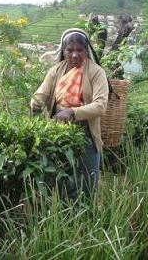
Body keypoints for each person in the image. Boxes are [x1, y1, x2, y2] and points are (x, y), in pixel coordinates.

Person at [30, 28, 109, 194]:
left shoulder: (96, 72)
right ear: (63, 51)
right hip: (58, 129)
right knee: (62, 176)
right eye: (70, 50)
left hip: (86, 132)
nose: (74, 55)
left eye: (79, 50)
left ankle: (87, 213)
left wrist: (72, 112)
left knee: (87, 179)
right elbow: (41, 93)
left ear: (86, 50)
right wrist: (35, 103)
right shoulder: (56, 70)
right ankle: (65, 213)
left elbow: (101, 105)